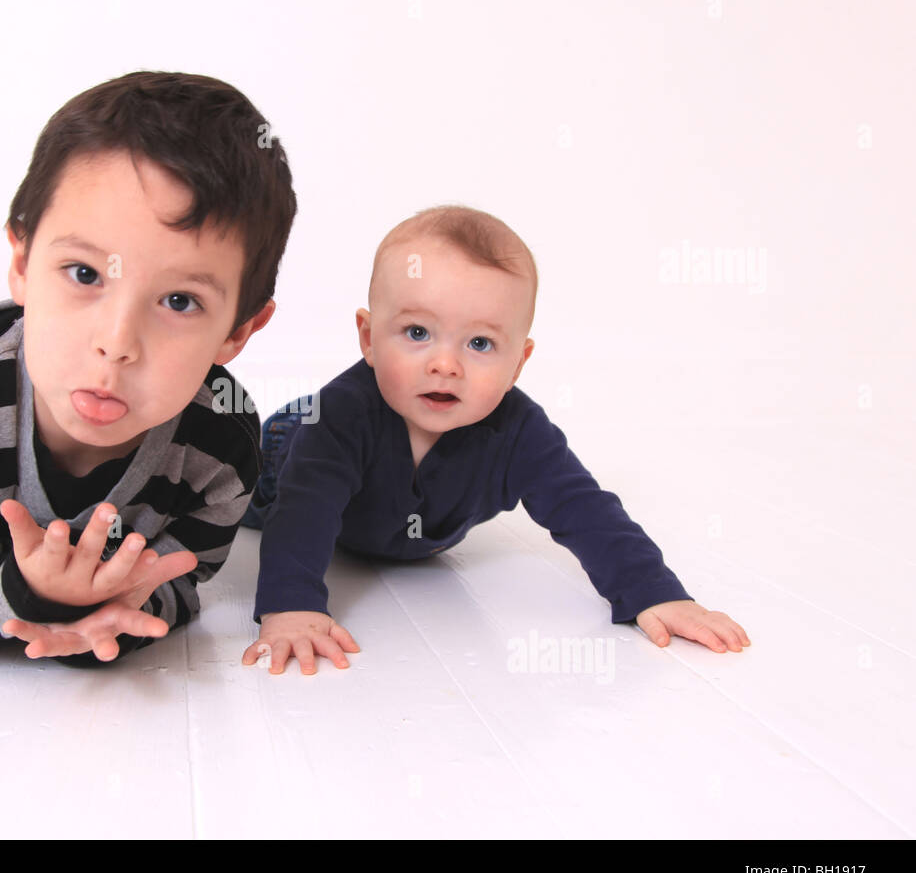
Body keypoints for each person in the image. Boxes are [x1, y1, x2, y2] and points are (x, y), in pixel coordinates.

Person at [0, 71, 295, 665]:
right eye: (84, 274)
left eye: (179, 301)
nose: (117, 343)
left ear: (237, 330)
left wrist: (103, 621)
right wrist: (34, 596)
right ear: (23, 262)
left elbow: (177, 584)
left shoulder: (222, 449)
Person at [239, 205, 750, 675]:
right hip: (284, 451)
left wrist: (654, 593)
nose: (445, 364)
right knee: (243, 491)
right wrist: (292, 605)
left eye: (480, 343)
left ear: (518, 364)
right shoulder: (341, 419)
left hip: (393, 530)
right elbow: (304, 512)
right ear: (369, 338)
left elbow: (584, 508)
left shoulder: (518, 432)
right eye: (417, 333)